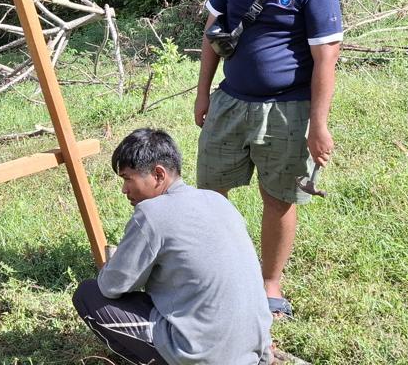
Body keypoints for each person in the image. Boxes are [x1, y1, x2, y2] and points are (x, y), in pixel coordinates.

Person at [194, 0, 342, 320]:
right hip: (231, 102)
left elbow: (325, 59)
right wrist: (204, 92)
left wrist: (319, 124)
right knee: (211, 193)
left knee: (278, 197)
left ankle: (268, 285)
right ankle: (212, 272)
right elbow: (213, 31)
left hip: (287, 110)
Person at [74, 128, 272, 365]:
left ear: (158, 174)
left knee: (88, 294)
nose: (124, 189)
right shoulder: (217, 200)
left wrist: (115, 264)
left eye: (128, 178)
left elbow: (111, 286)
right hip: (255, 348)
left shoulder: (150, 213)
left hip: (202, 355)